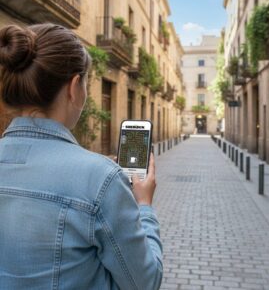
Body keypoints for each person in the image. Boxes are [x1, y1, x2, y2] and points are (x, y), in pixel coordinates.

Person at [0, 24, 163, 290]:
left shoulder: (99, 176)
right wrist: (144, 205)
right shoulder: (101, 179)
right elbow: (145, 282)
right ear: (74, 87)